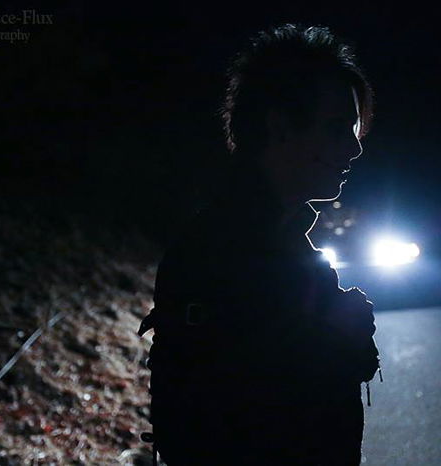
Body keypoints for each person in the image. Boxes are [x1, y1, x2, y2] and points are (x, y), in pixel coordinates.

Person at [138, 23, 381, 465]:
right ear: (280, 126)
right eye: (337, 128)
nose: (354, 148)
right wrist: (342, 332)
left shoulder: (283, 242)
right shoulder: (223, 252)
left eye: (355, 129)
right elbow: (241, 419)